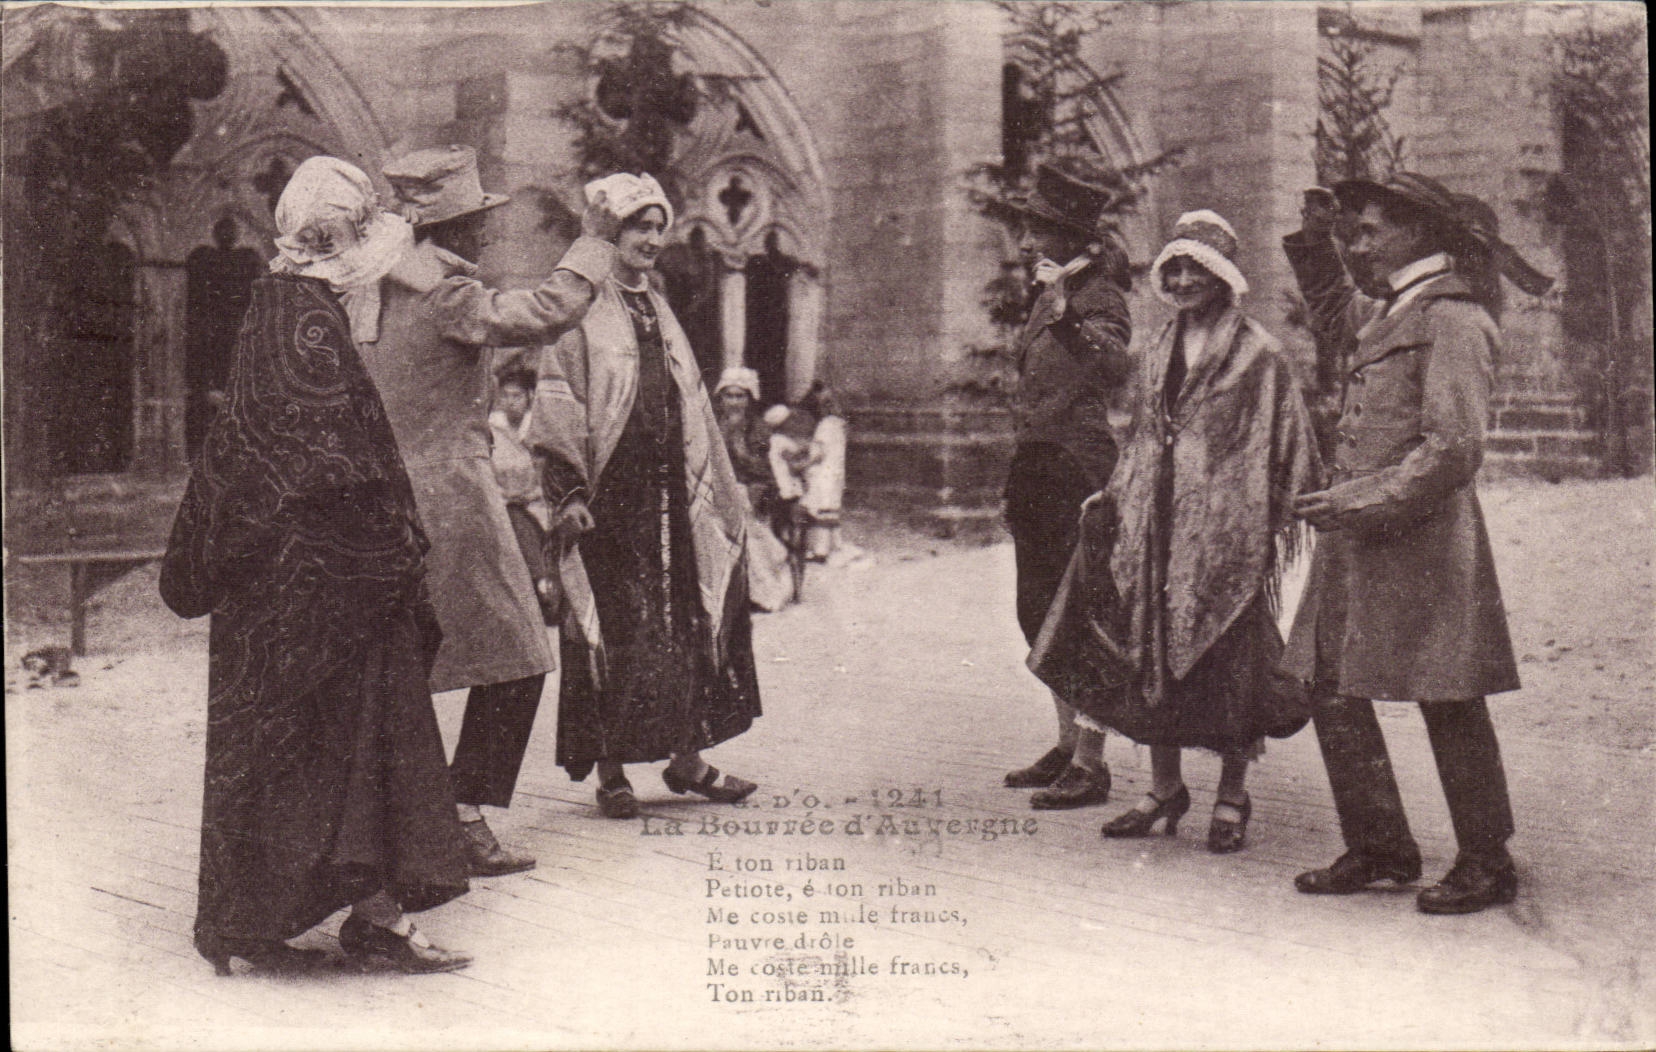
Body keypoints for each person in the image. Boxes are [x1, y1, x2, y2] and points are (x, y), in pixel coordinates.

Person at [160, 157, 472, 975]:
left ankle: (309, 918)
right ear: (339, 252)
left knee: (309, 750)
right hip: (330, 587)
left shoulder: (280, 307)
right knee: (366, 739)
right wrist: (395, 551)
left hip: (290, 587)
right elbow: (336, 465)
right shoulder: (306, 320)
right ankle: (364, 920)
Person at [1281, 172, 1552, 913]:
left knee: (1447, 692)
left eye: (1368, 231)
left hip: (1422, 538)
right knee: (1330, 683)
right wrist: (1314, 245)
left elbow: (1455, 447)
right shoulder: (1399, 307)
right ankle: (1379, 848)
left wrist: (1360, 499)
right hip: (1359, 538)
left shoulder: (1455, 318)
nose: (1356, 243)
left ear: (1418, 233)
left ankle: (1487, 860)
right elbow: (1340, 316)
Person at [359, 145, 621, 875]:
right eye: (479, 220)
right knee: (519, 658)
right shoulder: (445, 292)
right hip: (449, 499)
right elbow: (545, 313)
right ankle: (460, 816)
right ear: (459, 229)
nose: (486, 232)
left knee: (403, 667)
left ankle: (401, 825)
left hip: (380, 498)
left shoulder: (374, 286)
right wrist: (593, 240)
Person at [1030, 210, 1321, 852]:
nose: (1185, 279)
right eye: (1176, 268)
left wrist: (1264, 520)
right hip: (1152, 526)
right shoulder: (1159, 345)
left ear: (1223, 278)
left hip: (1223, 533)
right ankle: (1164, 789)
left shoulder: (1258, 355)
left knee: (1229, 662)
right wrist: (1115, 494)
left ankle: (1232, 796)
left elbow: (1285, 442)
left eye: (1198, 268)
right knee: (1149, 652)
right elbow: (1137, 430)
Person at [530, 172, 762, 819]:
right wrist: (569, 491)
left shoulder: (657, 306)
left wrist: (717, 488)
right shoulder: (582, 309)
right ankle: (611, 772)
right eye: (640, 226)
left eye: (660, 227)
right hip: (610, 501)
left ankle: (686, 760)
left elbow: (689, 403)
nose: (653, 239)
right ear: (610, 231)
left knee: (682, 624)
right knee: (614, 628)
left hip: (671, 500)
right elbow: (560, 403)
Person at [994, 163, 1133, 810]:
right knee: (1038, 610)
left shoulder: (1099, 293)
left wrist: (1060, 308)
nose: (1024, 243)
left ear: (1064, 234)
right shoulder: (1053, 290)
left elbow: (1113, 368)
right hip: (1038, 465)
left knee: (1079, 614)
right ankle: (1064, 742)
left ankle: (1092, 762)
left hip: (1077, 467)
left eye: (1034, 230)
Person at [715, 367, 792, 612]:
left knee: (746, 527)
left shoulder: (758, 428)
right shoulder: (713, 426)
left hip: (749, 488)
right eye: (730, 396)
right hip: (717, 490)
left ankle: (758, 593)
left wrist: (739, 448)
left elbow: (761, 469)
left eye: (740, 396)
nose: (735, 402)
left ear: (749, 400)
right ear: (721, 399)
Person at [490, 365, 558, 622]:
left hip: (539, 506)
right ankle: (540, 583)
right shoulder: (492, 429)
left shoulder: (539, 428)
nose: (510, 402)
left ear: (529, 396)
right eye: (505, 396)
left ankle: (544, 584)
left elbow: (547, 474)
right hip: (505, 507)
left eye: (516, 396)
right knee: (514, 522)